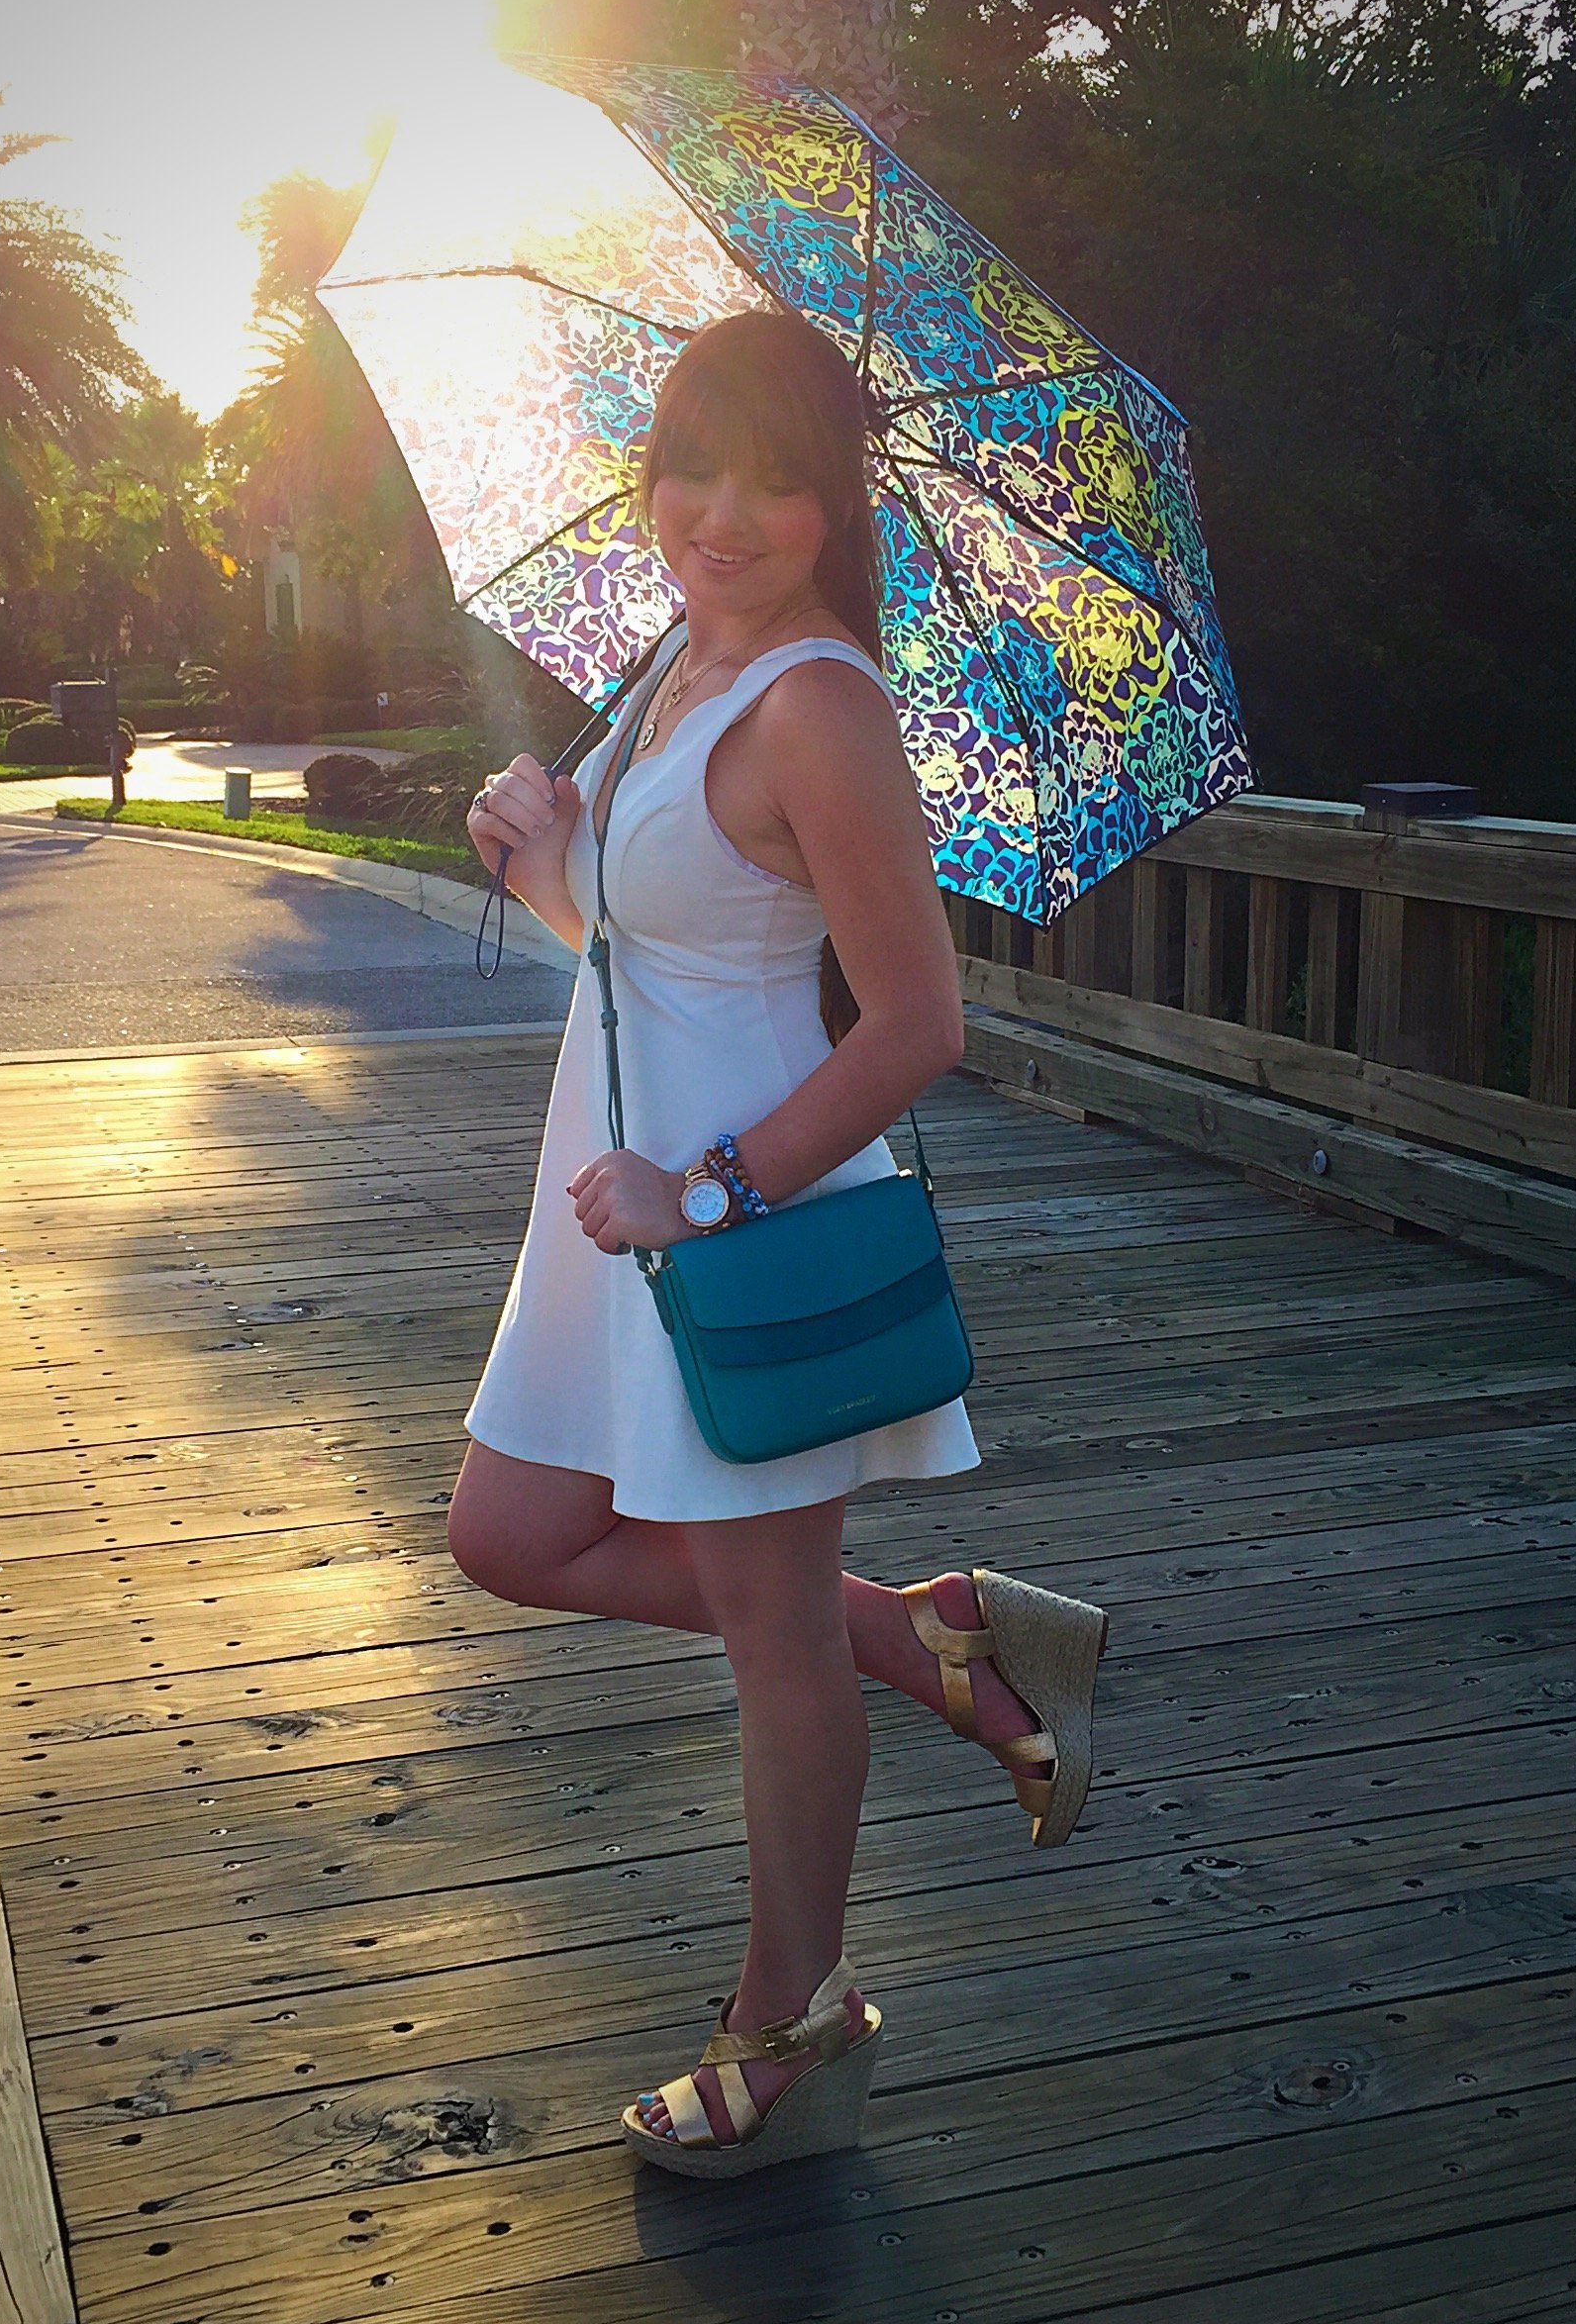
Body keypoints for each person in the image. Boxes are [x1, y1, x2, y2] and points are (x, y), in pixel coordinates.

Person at [453, 309, 1107, 2179]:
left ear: (837, 504)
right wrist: (542, 851)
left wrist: (707, 1194)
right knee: (509, 1534)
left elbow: (916, 1024)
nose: (720, 512)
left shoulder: (817, 702)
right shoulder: (678, 657)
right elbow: (658, 937)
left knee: (767, 1644)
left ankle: (794, 2015)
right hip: (609, 1195)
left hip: (729, 1205)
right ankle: (934, 1638)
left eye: (775, 479)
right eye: (690, 466)